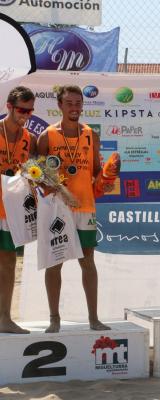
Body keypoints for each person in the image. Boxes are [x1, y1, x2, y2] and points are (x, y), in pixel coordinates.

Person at [37, 85, 111, 333]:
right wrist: (61, 190)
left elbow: (96, 172)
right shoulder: (47, 136)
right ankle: (54, 319)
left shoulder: (90, 134)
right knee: (54, 263)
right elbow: (38, 175)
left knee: (87, 261)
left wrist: (109, 177)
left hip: (85, 207)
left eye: (78, 103)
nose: (75, 107)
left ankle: (93, 319)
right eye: (69, 103)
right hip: (58, 209)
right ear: (59, 105)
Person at [0, 86, 36, 334]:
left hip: (8, 210)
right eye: (22, 109)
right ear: (9, 107)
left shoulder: (27, 138)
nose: (26, 115)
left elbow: (25, 169)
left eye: (30, 111)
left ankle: (5, 319)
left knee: (9, 263)